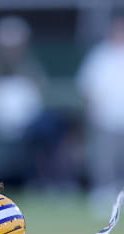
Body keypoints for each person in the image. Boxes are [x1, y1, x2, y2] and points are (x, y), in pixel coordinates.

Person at [76, 15, 124, 217]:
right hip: (105, 118)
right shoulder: (99, 56)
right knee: (103, 160)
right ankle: (103, 196)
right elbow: (86, 86)